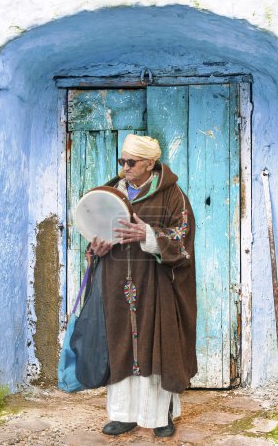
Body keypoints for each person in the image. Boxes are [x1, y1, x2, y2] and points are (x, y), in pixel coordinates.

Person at [90, 134, 197, 437]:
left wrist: (147, 235)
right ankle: (123, 415)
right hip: (116, 286)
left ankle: (160, 415)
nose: (124, 167)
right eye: (122, 161)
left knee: (156, 344)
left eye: (131, 162)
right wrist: (95, 249)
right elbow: (94, 231)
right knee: (120, 345)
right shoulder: (111, 192)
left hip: (156, 285)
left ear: (150, 163)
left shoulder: (172, 195)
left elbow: (182, 236)